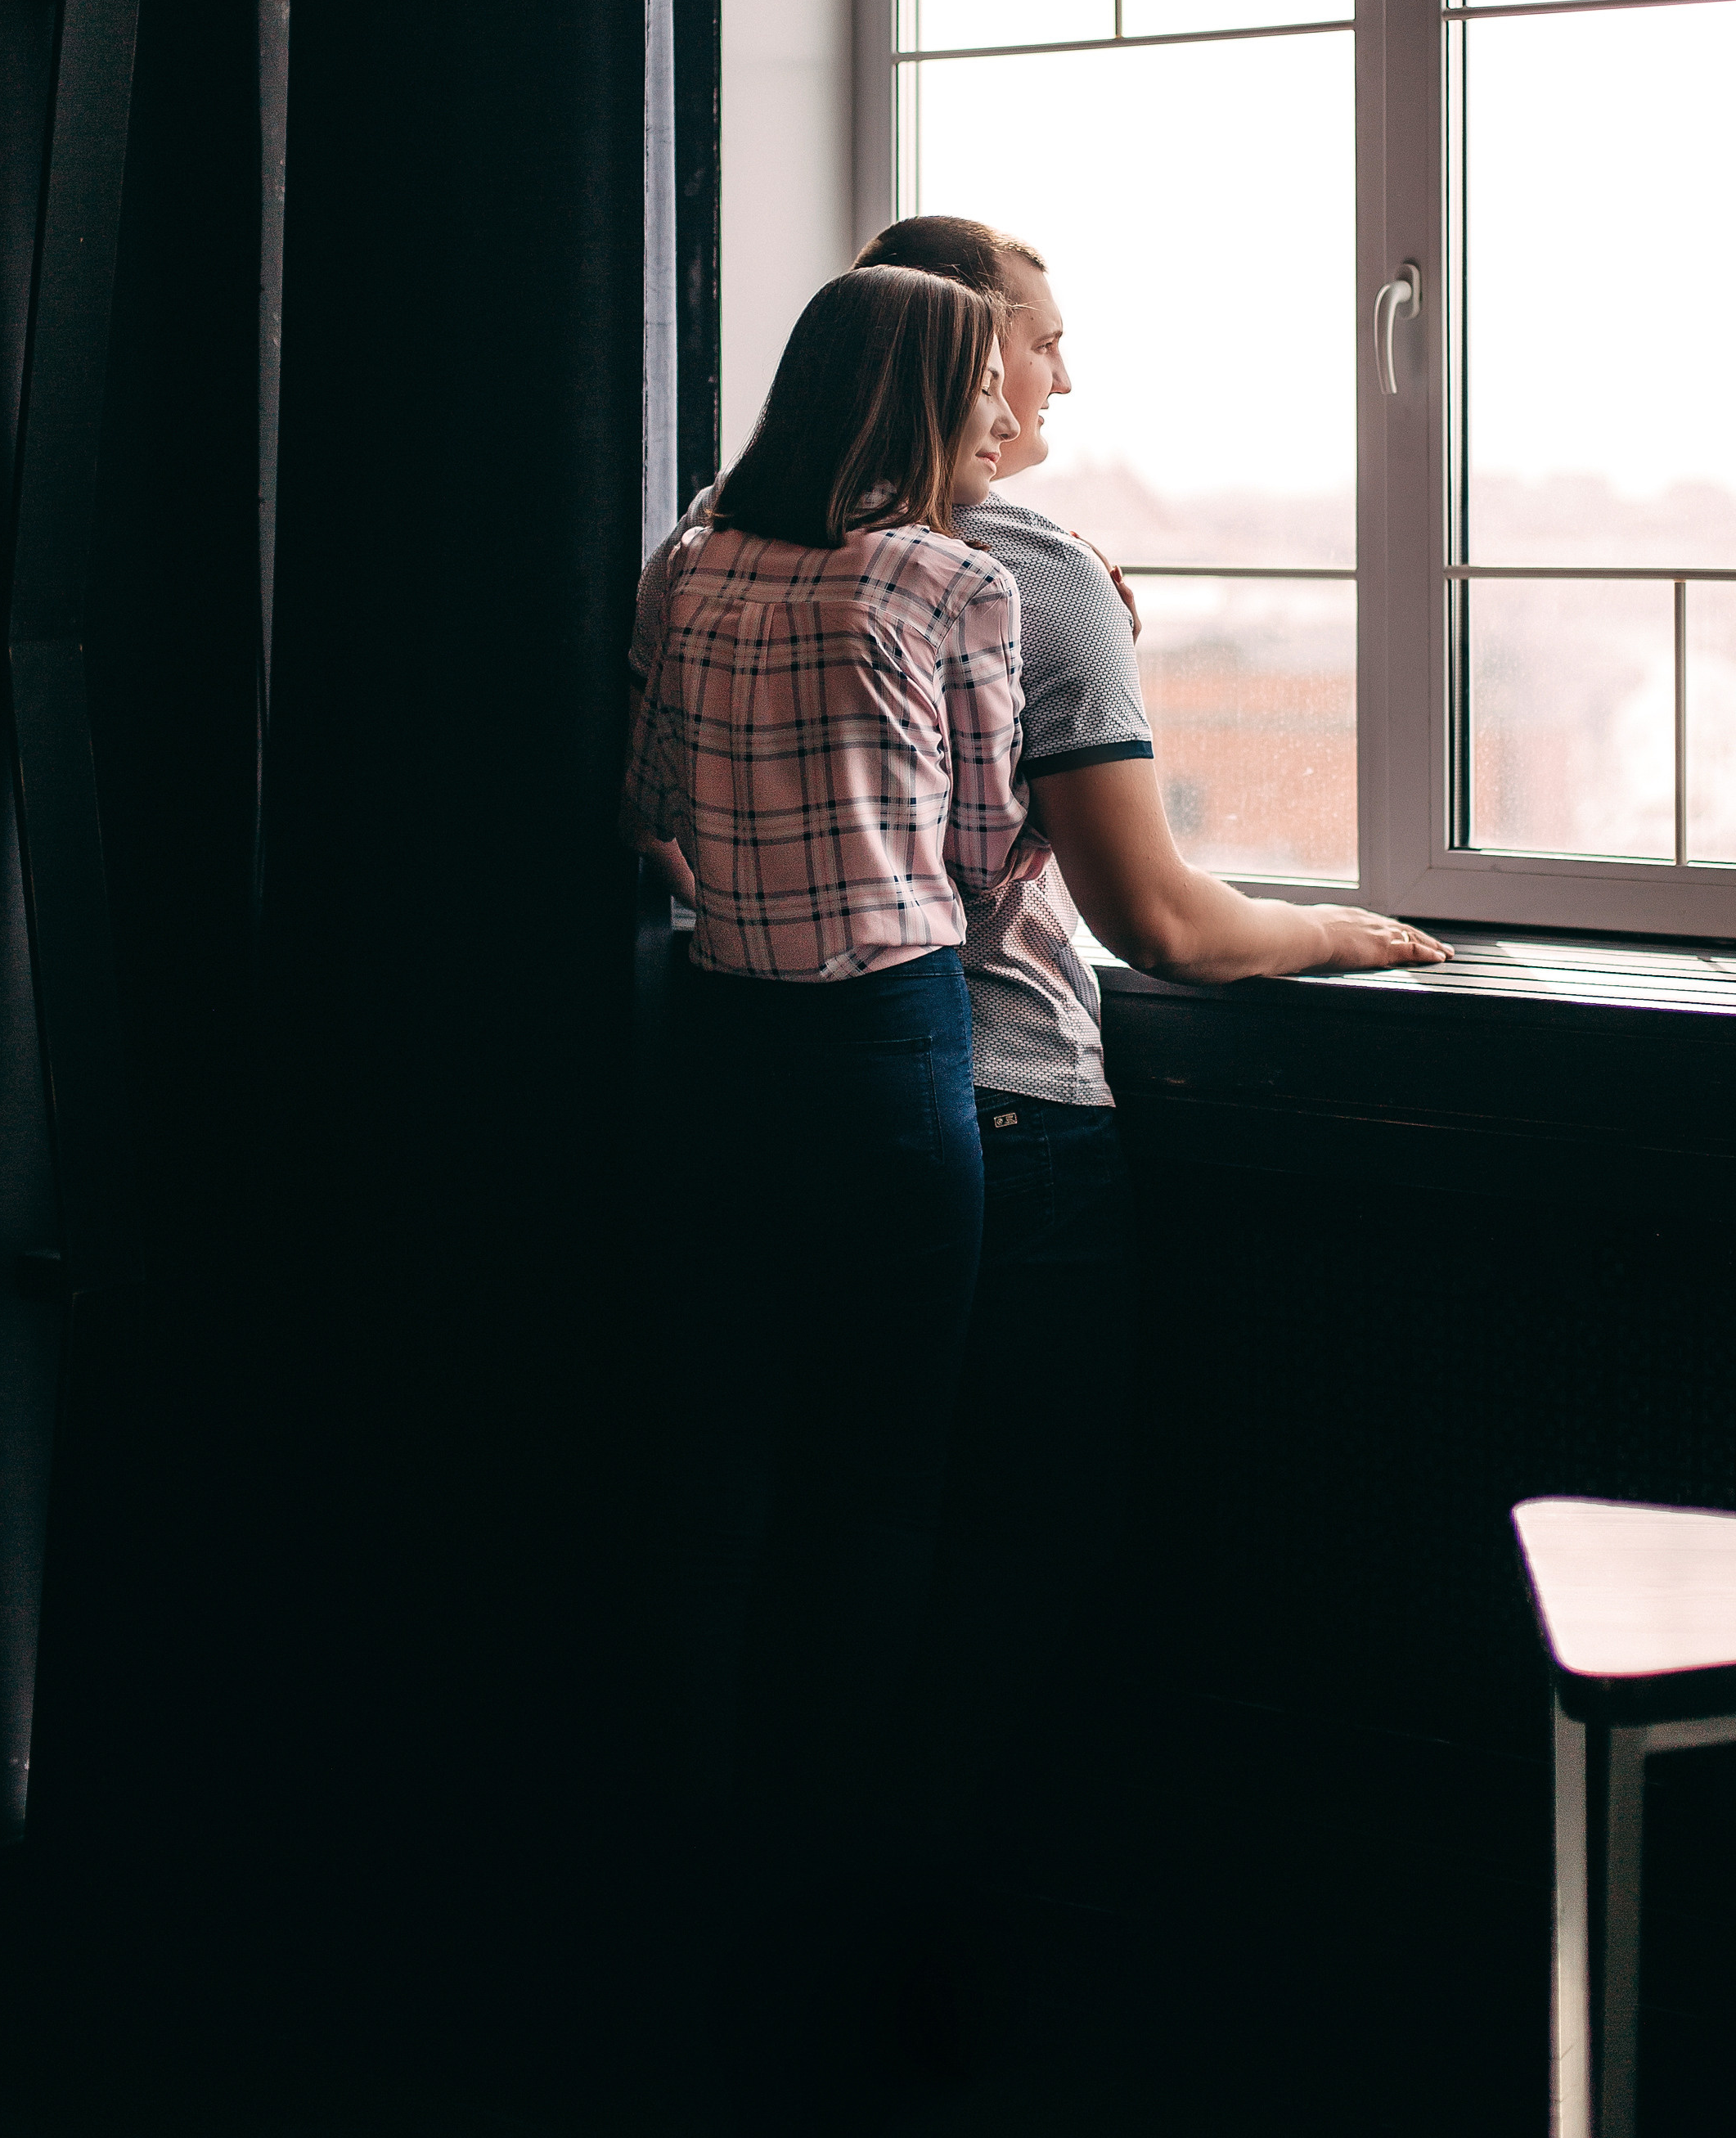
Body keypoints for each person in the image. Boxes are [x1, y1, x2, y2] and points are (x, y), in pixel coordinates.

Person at [849, 214, 1449, 2000]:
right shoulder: (1021, 574)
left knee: (838, 1543)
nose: (1058, 373)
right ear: (968, 361)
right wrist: (1339, 930)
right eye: (1038, 339)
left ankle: (814, 1950)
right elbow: (1162, 917)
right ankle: (965, 1964)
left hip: (788, 1107)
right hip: (1009, 1120)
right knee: (1021, 1559)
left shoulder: (742, 539)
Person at [621, 263, 1024, 2123]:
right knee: (881, 1488)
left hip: (712, 1051)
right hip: (885, 1055)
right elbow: (982, 842)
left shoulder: (687, 564)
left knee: (710, 1464)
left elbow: (647, 805)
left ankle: (681, 1891)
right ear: (926, 409)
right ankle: (831, 1907)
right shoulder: (950, 581)